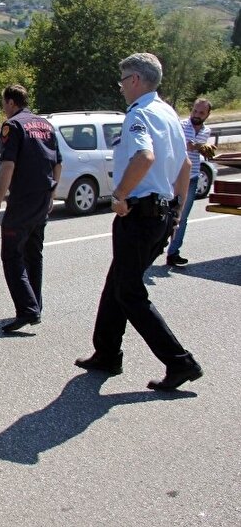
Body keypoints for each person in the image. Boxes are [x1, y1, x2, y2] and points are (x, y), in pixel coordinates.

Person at [75, 52, 202, 391]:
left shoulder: (139, 115)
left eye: (122, 81)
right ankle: (106, 352)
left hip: (139, 214)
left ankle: (180, 362)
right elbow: (186, 167)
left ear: (135, 80)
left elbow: (144, 157)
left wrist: (119, 194)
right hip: (159, 214)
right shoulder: (168, 113)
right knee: (118, 281)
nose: (121, 88)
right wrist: (176, 211)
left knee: (129, 292)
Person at [0, 84, 62, 333]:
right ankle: (35, 305)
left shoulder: (13, 126)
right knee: (33, 253)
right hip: (41, 199)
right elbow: (58, 163)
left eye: (3, 103)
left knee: (11, 255)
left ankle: (28, 309)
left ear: (10, 102)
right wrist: (51, 194)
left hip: (22, 200)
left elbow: (8, 166)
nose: (3, 108)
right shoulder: (46, 125)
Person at [166, 97, 212, 267]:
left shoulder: (207, 131)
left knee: (182, 217)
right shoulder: (181, 125)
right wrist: (191, 145)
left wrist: (204, 150)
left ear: (207, 115)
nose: (196, 115)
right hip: (174, 176)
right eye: (194, 111)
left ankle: (173, 253)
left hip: (192, 178)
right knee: (163, 213)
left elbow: (202, 148)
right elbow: (174, 143)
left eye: (201, 113)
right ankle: (154, 247)